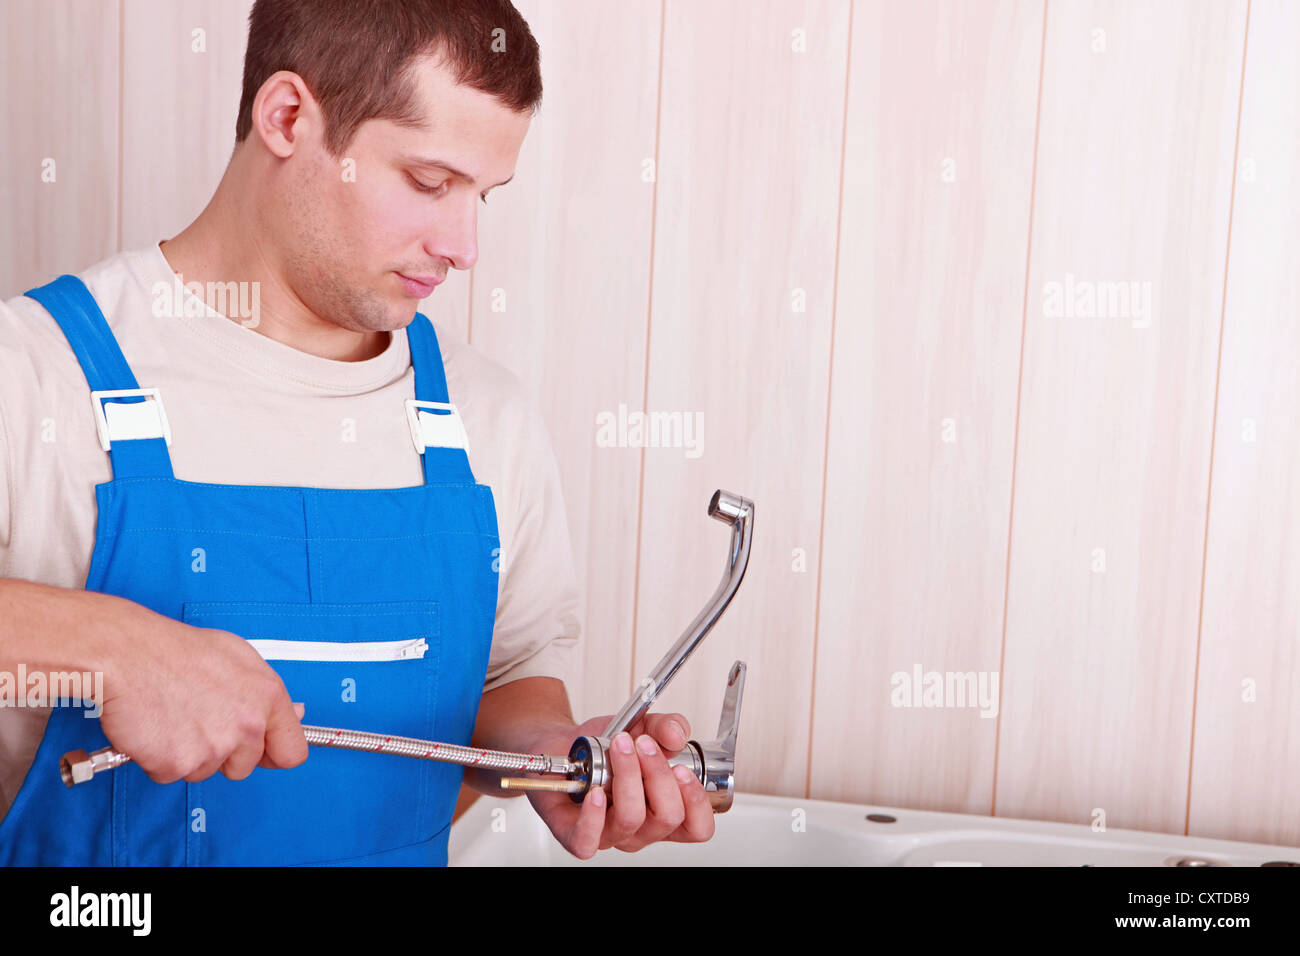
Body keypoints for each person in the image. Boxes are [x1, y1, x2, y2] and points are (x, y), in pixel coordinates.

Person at [0, 0, 713, 866]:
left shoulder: (486, 418)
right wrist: (109, 646)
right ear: (288, 117)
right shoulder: (36, 373)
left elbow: (504, 675)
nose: (464, 246)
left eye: (482, 195)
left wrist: (554, 760)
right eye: (428, 182)